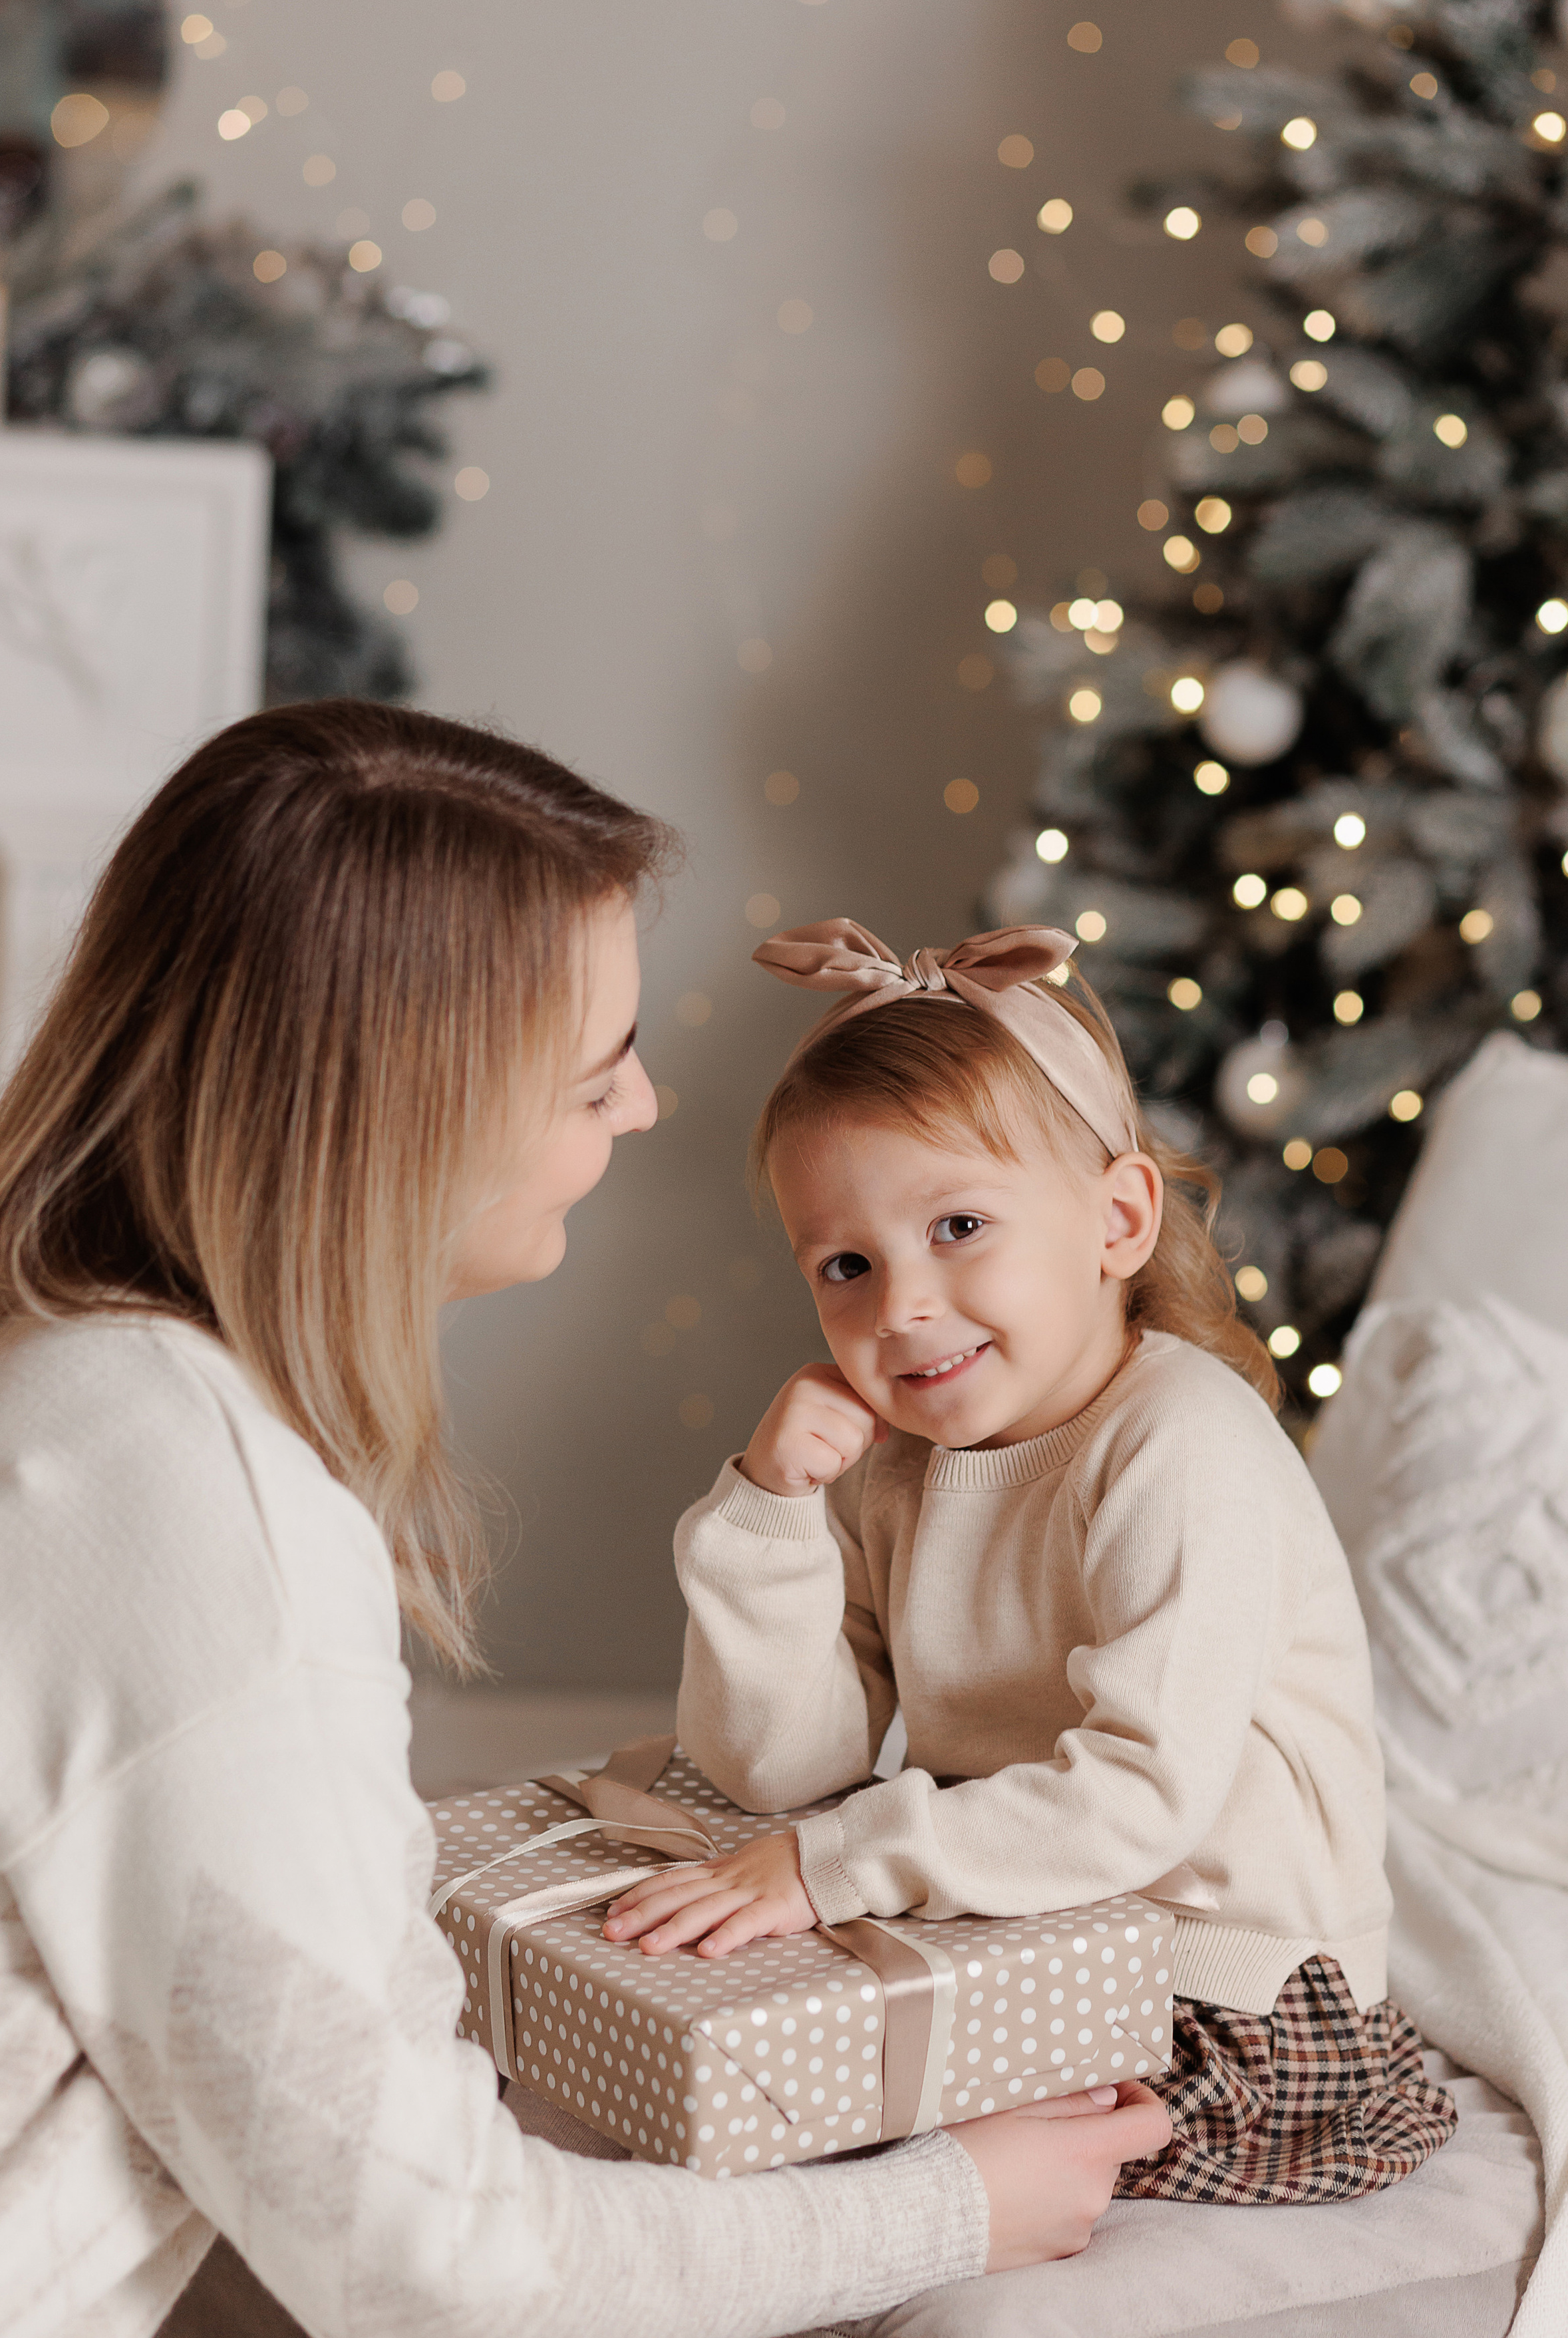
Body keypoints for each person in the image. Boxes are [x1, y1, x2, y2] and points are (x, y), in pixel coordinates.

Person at [0, 712, 1171, 2338]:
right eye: (600, 1075)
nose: (649, 1106)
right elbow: (428, 2257)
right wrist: (954, 2205)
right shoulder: (204, 1517)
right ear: (410, 1120)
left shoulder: (41, 1386)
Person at [607, 917, 1458, 2206]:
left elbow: (1136, 1798)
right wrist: (771, 1515)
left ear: (1116, 1220)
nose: (896, 1306)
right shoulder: (896, 1461)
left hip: (1225, 1994)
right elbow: (781, 1769)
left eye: (956, 1226)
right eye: (845, 1264)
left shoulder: (1179, 1448)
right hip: (1040, 1945)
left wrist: (833, 1868)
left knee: (795, 2144)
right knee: (672, 2065)